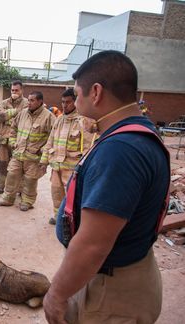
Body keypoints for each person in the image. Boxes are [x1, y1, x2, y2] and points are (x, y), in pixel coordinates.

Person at [43, 51, 170, 324]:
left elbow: (93, 245)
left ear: (96, 92)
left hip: (110, 292)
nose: (75, 103)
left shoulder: (120, 149)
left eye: (77, 95)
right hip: (119, 276)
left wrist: (56, 294)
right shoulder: (135, 132)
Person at [40, 88, 96, 225]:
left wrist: (83, 169)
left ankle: (73, 221)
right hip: (56, 167)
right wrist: (44, 161)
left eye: (68, 102)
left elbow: (89, 147)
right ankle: (58, 216)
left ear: (75, 102)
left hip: (72, 169)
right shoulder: (59, 120)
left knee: (74, 197)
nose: (64, 105)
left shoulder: (83, 121)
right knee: (56, 193)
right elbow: (50, 141)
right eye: (63, 102)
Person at [0, 91, 55, 211]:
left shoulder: (49, 117)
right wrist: (12, 142)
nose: (29, 102)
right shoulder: (22, 113)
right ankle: (7, 198)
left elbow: (54, 136)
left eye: (32, 100)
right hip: (18, 153)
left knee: (30, 180)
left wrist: (43, 150)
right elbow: (14, 128)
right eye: (29, 100)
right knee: (12, 174)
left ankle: (27, 201)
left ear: (40, 102)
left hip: (34, 157)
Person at [0, 80, 29, 194]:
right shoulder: (4, 102)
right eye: (12, 90)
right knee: (3, 164)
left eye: (16, 90)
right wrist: (16, 112)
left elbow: (25, 118)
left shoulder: (27, 103)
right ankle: (1, 187)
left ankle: (20, 190)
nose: (14, 92)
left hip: (19, 142)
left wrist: (8, 114)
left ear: (21, 90)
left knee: (19, 166)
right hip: (4, 140)